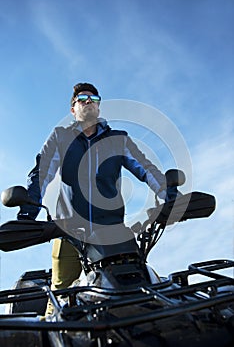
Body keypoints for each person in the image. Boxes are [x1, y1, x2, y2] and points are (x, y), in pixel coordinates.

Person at [17, 82, 167, 314]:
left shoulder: (118, 139)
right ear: (73, 109)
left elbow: (145, 168)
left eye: (94, 99)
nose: (89, 102)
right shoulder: (61, 137)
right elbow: (42, 172)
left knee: (136, 287)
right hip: (67, 231)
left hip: (112, 231)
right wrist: (28, 211)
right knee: (60, 294)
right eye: (83, 98)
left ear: (99, 107)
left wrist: (168, 195)